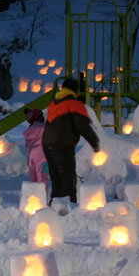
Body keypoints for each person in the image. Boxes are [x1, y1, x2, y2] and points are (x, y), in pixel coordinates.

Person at [42, 78, 100, 206]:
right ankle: (70, 209)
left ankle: (55, 205)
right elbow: (83, 126)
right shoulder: (74, 103)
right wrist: (95, 143)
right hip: (62, 145)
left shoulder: (55, 102)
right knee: (68, 179)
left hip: (47, 145)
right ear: (75, 90)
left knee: (56, 178)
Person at [23, 108, 49, 193]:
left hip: (32, 155)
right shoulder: (45, 127)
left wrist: (29, 158)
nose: (27, 118)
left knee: (33, 177)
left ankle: (34, 197)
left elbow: (28, 146)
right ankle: (42, 198)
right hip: (44, 154)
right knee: (43, 177)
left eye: (29, 115)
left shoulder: (30, 130)